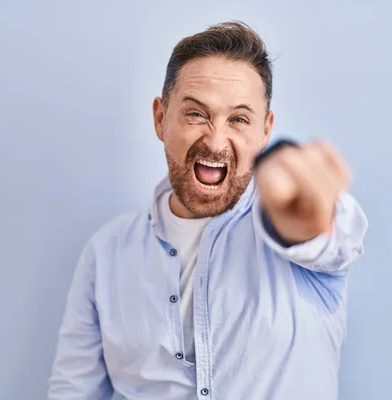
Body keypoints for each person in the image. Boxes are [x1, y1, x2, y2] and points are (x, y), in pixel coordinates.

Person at [48, 21, 368, 400]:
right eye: (196, 114)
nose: (216, 142)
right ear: (160, 119)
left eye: (239, 119)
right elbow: (73, 391)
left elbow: (331, 236)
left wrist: (306, 220)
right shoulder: (105, 255)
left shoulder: (299, 239)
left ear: (265, 131)